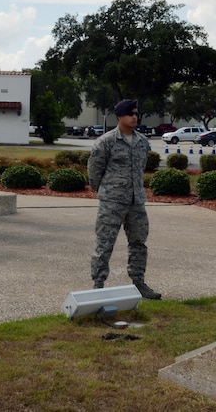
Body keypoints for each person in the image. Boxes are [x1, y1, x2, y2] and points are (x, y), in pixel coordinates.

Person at [87, 99, 162, 300]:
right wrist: (105, 191)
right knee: (104, 244)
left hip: (136, 201)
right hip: (112, 202)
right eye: (130, 114)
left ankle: (139, 283)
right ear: (120, 116)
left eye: (136, 113)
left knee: (139, 243)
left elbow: (141, 168)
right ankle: (98, 285)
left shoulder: (142, 142)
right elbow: (94, 171)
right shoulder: (106, 141)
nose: (134, 117)